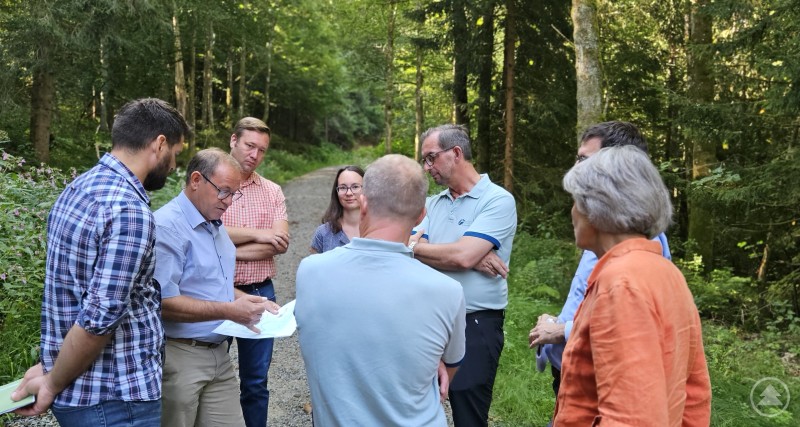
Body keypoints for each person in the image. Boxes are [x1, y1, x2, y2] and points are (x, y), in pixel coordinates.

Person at [10, 98, 190, 426]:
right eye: (175, 153)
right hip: (115, 399)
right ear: (159, 144)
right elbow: (98, 320)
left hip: (80, 388)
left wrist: (52, 367)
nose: (175, 165)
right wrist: (51, 382)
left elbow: (68, 294)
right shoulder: (128, 211)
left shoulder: (78, 188)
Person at [296, 154, 466, 426]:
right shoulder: (449, 291)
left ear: (363, 204)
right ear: (421, 215)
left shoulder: (309, 271)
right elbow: (450, 366)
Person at [552, 145, 711, 425]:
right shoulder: (667, 273)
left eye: (576, 202)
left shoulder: (621, 284)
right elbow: (695, 394)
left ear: (596, 209)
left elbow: (630, 419)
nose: (572, 212)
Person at [528, 121, 671, 408]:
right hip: (574, 376)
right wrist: (559, 324)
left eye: (585, 161)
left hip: (596, 389)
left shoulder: (634, 260)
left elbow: (629, 338)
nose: (575, 169)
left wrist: (560, 331)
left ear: (618, 172)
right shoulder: (605, 238)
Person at [154, 148, 279, 427]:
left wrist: (252, 302)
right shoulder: (168, 227)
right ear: (196, 180)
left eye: (234, 194)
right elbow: (162, 302)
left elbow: (215, 285)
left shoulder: (215, 223)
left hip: (219, 355)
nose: (229, 201)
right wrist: (230, 311)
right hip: (180, 357)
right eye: (224, 191)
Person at [408, 124, 517, 427]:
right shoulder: (431, 204)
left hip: (476, 322)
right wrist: (464, 253)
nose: (427, 167)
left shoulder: (497, 200)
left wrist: (434, 249)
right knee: (417, 407)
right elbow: (403, 245)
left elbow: (462, 256)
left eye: (431, 158)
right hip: (429, 320)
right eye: (425, 160)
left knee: (468, 412)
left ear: (455, 153)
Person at [220, 117, 290, 427]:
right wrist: (259, 234)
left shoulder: (272, 191)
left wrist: (222, 248)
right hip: (217, 290)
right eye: (250, 146)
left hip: (262, 291)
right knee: (208, 374)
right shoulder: (212, 184)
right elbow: (203, 236)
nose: (255, 155)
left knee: (256, 381)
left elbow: (279, 243)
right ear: (233, 140)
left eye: (262, 150)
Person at [310, 165, 364, 253]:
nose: (349, 193)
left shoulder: (380, 230)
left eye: (355, 187)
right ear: (336, 192)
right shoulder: (323, 233)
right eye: (342, 187)